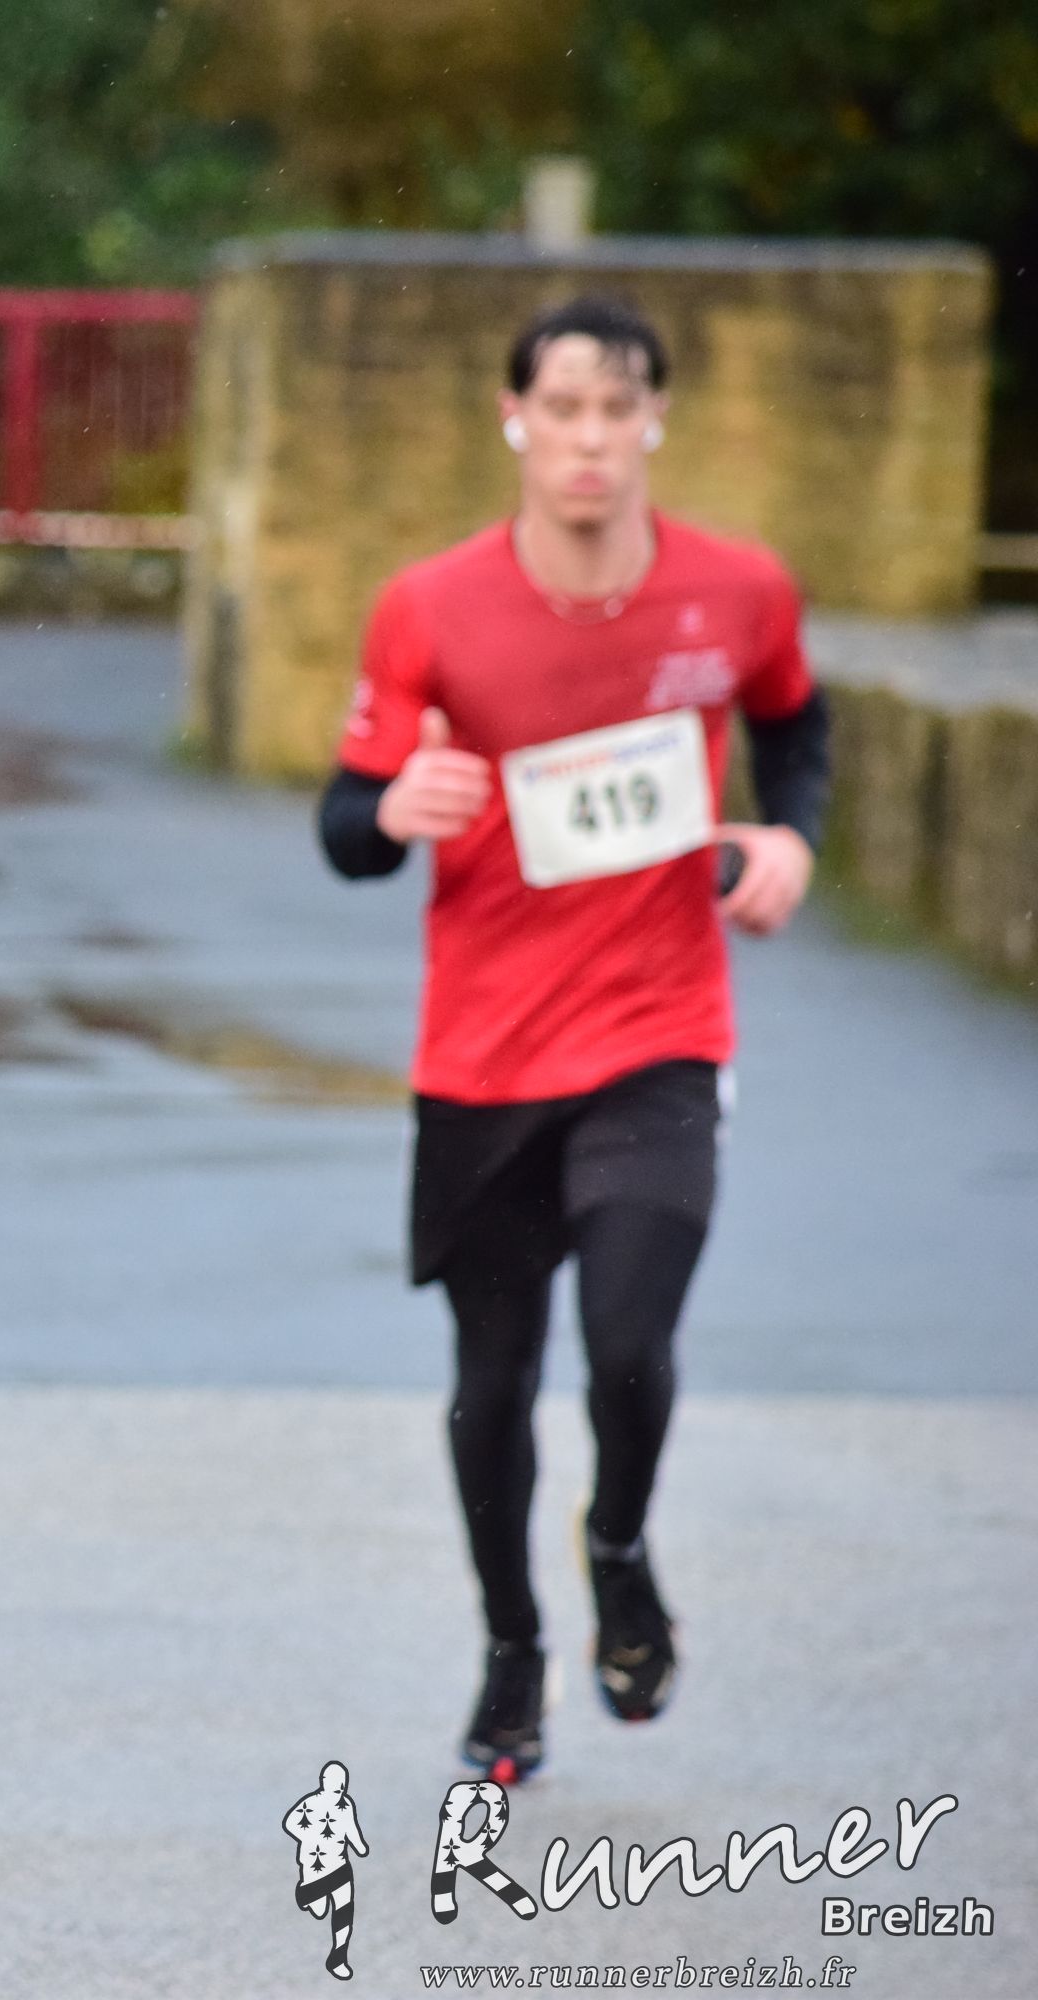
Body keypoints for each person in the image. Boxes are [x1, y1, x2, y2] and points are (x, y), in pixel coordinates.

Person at [317, 296, 829, 1785]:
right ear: (514, 422)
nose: (590, 439)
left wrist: (789, 836)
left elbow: (795, 724)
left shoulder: (738, 590)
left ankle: (617, 1542)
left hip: (659, 1029)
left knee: (627, 1340)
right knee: (491, 1381)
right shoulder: (429, 606)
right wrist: (392, 811)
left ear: (655, 420)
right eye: (563, 409)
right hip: (481, 1054)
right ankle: (510, 1649)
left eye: (617, 409)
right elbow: (346, 824)